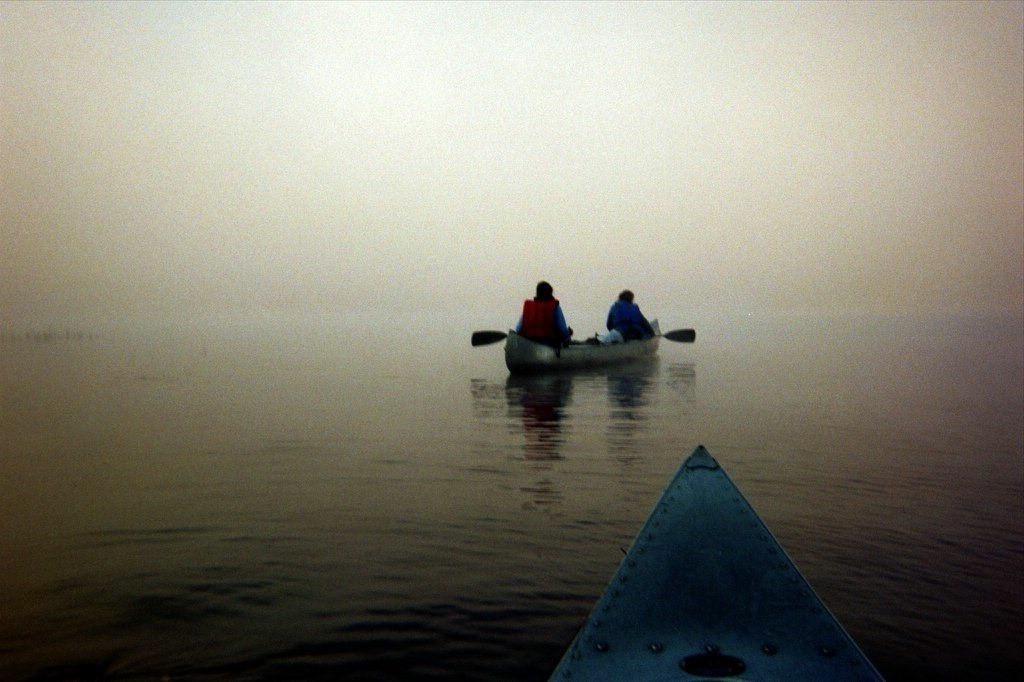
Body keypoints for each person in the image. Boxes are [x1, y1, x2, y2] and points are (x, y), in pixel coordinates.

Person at [515, 281, 573, 347]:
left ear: (537, 294)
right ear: (550, 294)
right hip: (548, 345)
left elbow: (518, 329)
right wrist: (568, 334)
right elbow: (563, 330)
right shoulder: (555, 307)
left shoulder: (530, 307)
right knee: (566, 337)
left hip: (528, 345)